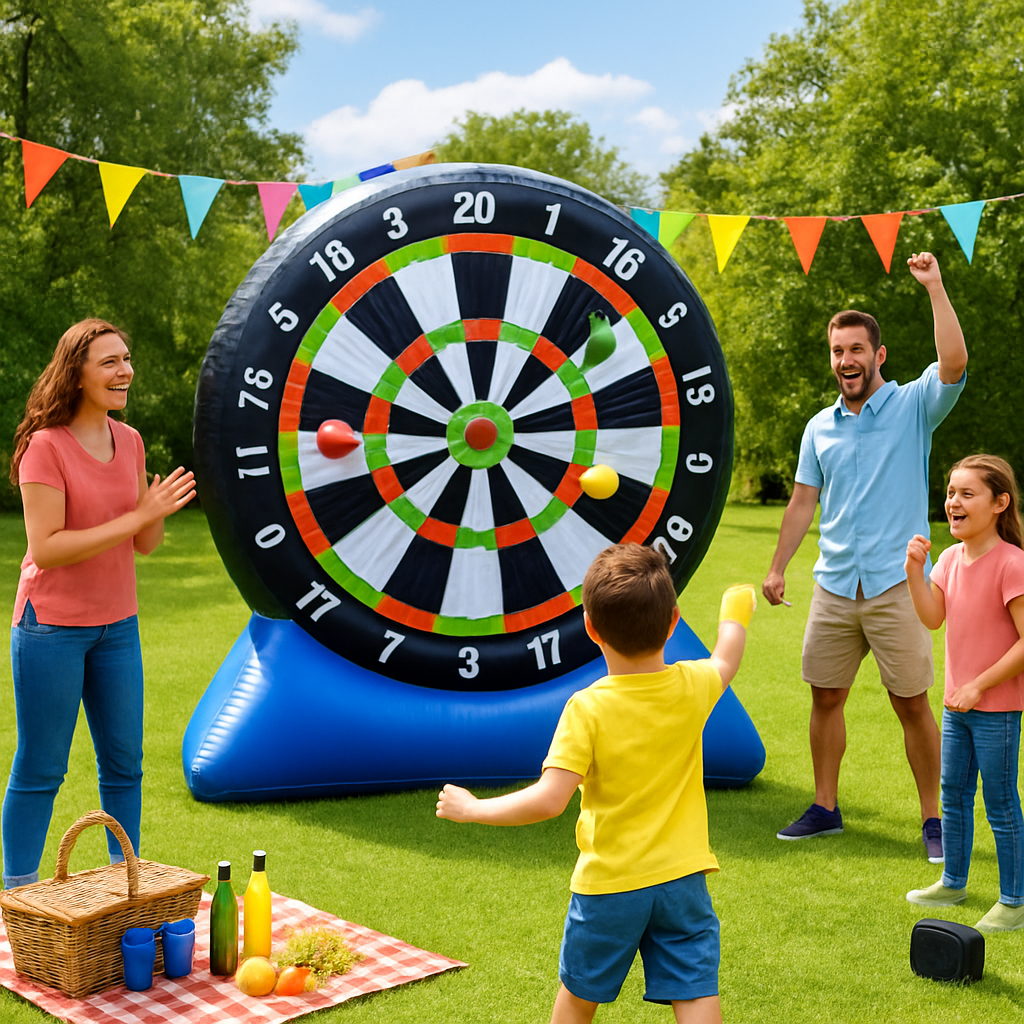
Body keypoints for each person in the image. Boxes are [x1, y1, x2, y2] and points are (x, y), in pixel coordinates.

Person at [436, 543, 755, 1024]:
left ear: (589, 627)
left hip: (609, 886)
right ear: (673, 622)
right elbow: (726, 657)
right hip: (683, 881)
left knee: (578, 995)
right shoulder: (692, 686)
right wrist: (736, 608)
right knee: (694, 991)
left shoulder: (586, 709)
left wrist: (473, 808)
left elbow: (549, 801)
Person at [763, 252, 967, 859]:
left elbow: (953, 362)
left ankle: (936, 820)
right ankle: (825, 808)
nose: (846, 360)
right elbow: (804, 501)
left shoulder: (913, 406)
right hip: (833, 586)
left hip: (896, 585)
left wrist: (934, 287)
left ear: (879, 356)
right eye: (837, 351)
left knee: (911, 705)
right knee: (825, 696)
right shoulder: (818, 426)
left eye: (856, 350)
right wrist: (777, 566)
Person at [2, 318, 196, 889]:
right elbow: (48, 547)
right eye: (110, 361)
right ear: (77, 373)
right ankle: (17, 894)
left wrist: (154, 513)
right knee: (41, 768)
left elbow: (143, 543)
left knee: (124, 766)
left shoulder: (129, 440)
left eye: (127, 359)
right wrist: (137, 514)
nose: (125, 371)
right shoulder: (45, 447)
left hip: (118, 627)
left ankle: (123, 885)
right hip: (52, 628)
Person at [904, 455, 1024, 933]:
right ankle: (953, 880)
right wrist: (916, 570)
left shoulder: (1012, 564)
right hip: (958, 706)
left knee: (999, 802)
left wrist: (979, 684)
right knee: (952, 793)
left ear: (1000, 504)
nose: (953, 501)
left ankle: (1014, 901)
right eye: (951, 492)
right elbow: (933, 617)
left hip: (997, 708)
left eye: (966, 494)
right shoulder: (950, 559)